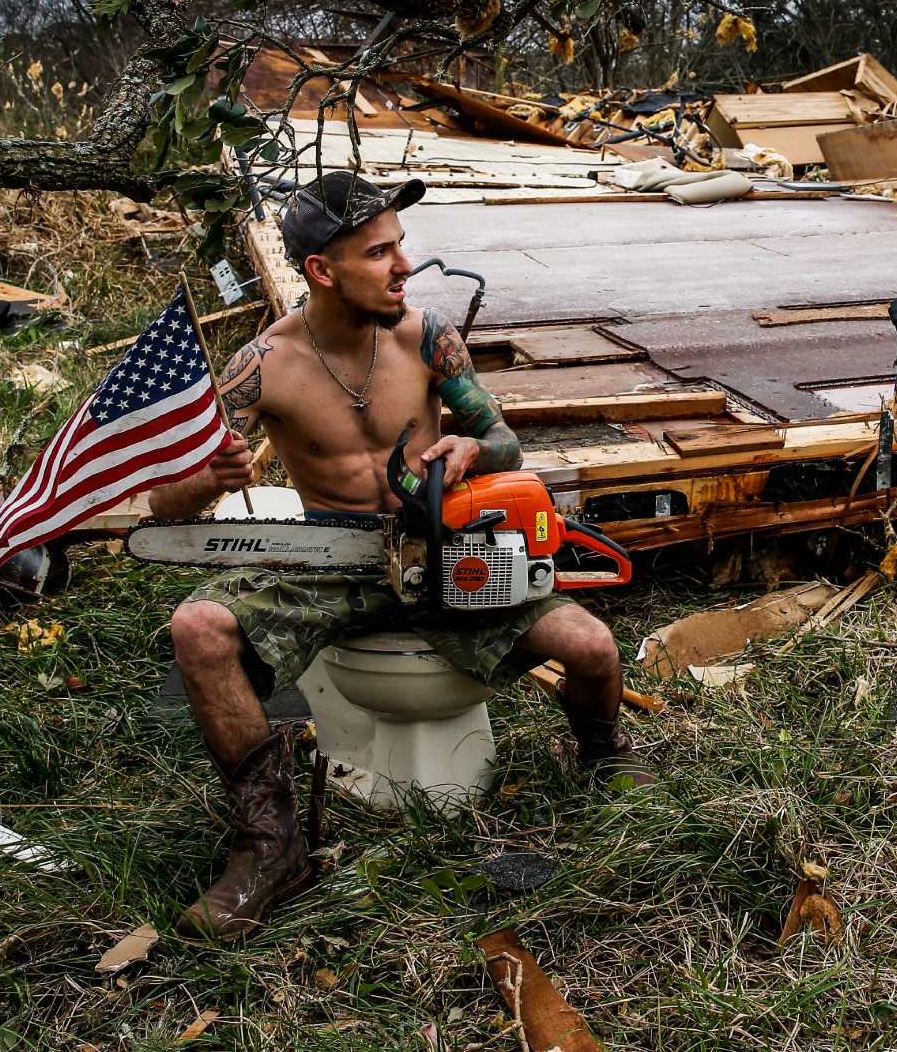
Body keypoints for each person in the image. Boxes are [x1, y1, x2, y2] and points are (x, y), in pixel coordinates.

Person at [149, 170, 646, 943]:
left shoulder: (429, 335)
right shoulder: (263, 364)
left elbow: (507, 439)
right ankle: (272, 842)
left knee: (591, 645)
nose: (404, 266)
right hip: (329, 562)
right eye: (379, 252)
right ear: (323, 269)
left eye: (400, 246)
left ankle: (603, 755)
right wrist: (206, 480)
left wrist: (475, 446)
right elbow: (164, 505)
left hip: (444, 551)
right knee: (198, 627)